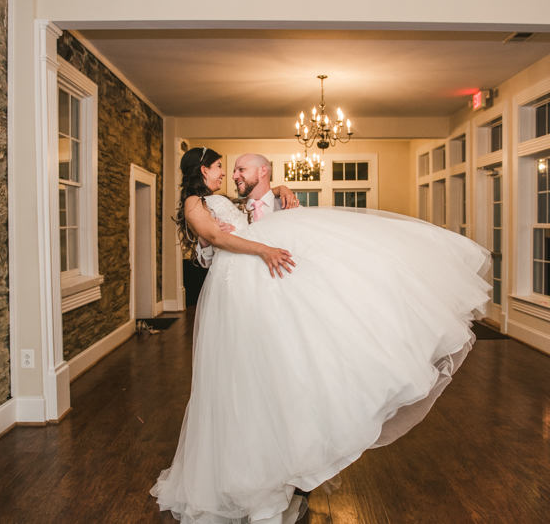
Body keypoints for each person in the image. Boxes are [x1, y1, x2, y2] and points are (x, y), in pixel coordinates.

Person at [151, 147, 491, 524]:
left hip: (256, 290)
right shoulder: (194, 203)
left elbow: (242, 214)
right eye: (220, 168)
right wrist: (262, 249)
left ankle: (277, 470)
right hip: (236, 290)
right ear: (203, 169)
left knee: (269, 377)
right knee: (238, 382)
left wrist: (279, 188)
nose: (226, 174)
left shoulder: (226, 199)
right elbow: (214, 237)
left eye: (234, 169)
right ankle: (246, 480)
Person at [196, 153, 296, 268]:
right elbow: (208, 264)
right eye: (234, 171)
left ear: (262, 171)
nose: (234, 176)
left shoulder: (290, 207)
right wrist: (205, 241)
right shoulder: (228, 211)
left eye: (241, 169)